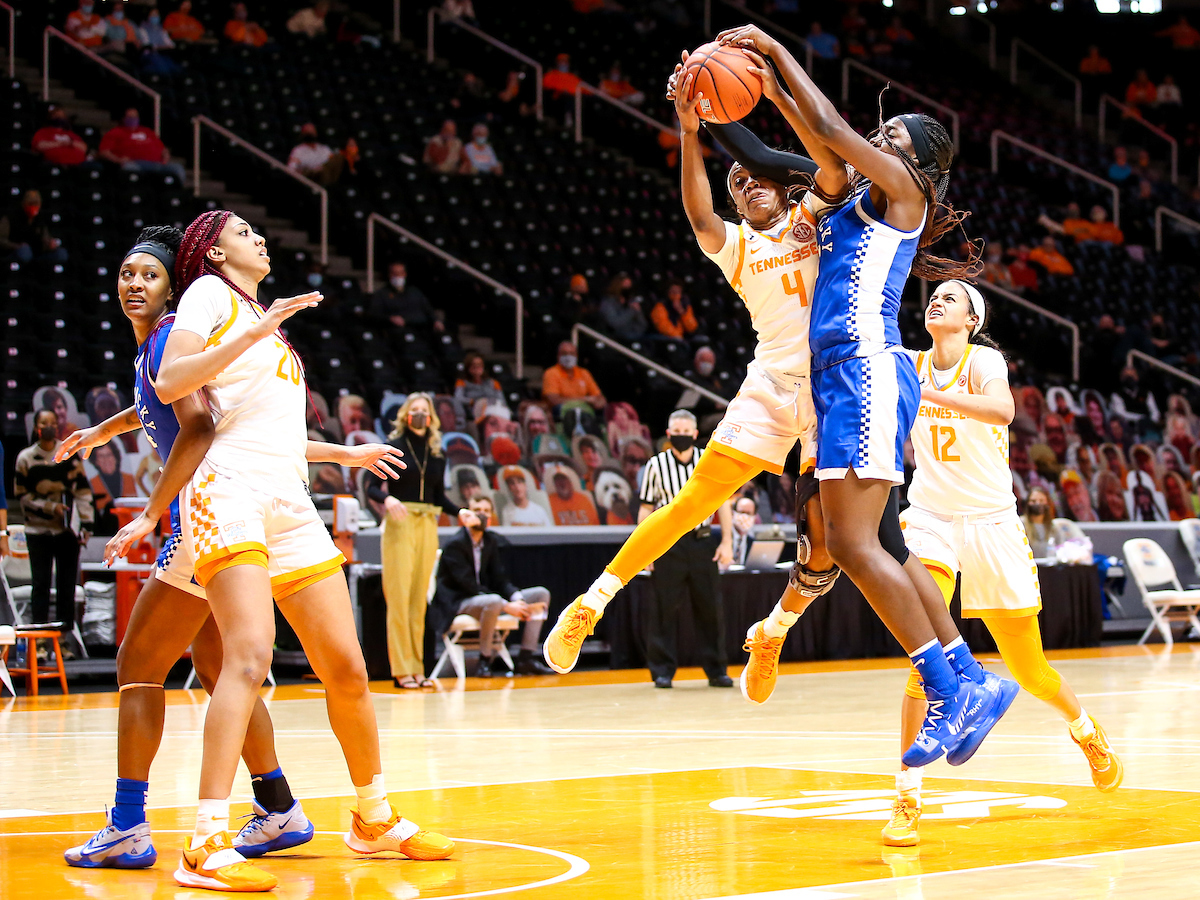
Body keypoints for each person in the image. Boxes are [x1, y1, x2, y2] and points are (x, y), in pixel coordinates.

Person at [713, 25, 1013, 766]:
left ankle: (947, 690)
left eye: (891, 135)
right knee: (884, 545)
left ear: (916, 160)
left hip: (864, 369)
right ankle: (970, 679)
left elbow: (830, 127)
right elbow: (782, 151)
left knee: (850, 544)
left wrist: (774, 53)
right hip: (847, 377)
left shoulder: (905, 191)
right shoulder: (855, 192)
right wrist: (724, 102)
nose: (877, 138)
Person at [155, 210, 453, 889]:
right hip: (227, 491)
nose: (259, 237)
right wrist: (256, 330)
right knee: (248, 657)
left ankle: (373, 817)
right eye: (242, 233)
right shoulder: (207, 295)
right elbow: (172, 382)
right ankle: (204, 841)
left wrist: (344, 453)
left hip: (287, 499)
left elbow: (271, 433)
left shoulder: (265, 325)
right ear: (213, 252)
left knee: (346, 665)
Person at [58, 225, 356, 868]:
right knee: (223, 669)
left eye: (151, 275)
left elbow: (195, 427)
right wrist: (102, 431)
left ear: (174, 287)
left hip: (211, 515)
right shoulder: (155, 346)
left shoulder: (171, 336)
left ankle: (129, 824)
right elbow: (158, 408)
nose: (135, 284)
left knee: (140, 664)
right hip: (232, 511)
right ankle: (278, 806)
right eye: (127, 273)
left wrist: (149, 513)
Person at [879, 280, 1121, 848]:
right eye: (933, 296)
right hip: (931, 518)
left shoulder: (983, 361)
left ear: (971, 320)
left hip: (991, 523)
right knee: (923, 660)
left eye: (950, 298)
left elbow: (1003, 410)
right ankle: (907, 794)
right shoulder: (909, 360)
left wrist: (925, 394)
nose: (936, 300)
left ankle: (1085, 730)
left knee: (1030, 670)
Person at [365, 394, 470, 689]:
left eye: (424, 410)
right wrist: (388, 499)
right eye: (415, 410)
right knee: (398, 597)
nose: (420, 414)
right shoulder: (394, 447)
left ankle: (418, 668)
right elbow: (371, 487)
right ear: (405, 414)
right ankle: (402, 670)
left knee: (418, 599)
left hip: (428, 521)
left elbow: (438, 496)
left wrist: (459, 512)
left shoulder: (437, 452)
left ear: (431, 416)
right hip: (400, 520)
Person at [639, 410, 733, 689]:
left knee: (711, 609)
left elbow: (723, 503)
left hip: (703, 540)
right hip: (668, 543)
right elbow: (645, 508)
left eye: (685, 432)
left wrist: (727, 541)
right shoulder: (656, 465)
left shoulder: (708, 459)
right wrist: (644, 549)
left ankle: (717, 670)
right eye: (676, 432)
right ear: (668, 435)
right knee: (663, 609)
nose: (681, 436)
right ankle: (662, 671)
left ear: (695, 434)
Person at [435, 496, 553, 676]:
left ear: (490, 517)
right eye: (477, 511)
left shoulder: (490, 542)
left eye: (486, 511)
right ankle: (484, 660)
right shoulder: (455, 544)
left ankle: (526, 658)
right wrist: (506, 606)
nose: (481, 515)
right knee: (494, 601)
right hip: (458, 602)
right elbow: (468, 585)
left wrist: (517, 600)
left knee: (541, 594)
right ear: (466, 515)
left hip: (486, 600)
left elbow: (500, 579)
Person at [13, 408, 93, 626]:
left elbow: (82, 491)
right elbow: (22, 495)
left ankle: (64, 636)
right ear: (36, 428)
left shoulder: (67, 453)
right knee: (41, 583)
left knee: (67, 584)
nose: (48, 427)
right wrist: (50, 507)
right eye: (44, 423)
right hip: (38, 529)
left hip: (67, 530)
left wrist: (86, 524)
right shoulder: (26, 458)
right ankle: (39, 636)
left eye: (52, 423)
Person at [99, 108, 187, 182]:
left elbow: (163, 149)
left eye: (135, 117)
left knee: (177, 168)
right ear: (123, 118)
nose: (133, 119)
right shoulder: (115, 132)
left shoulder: (147, 131)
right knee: (129, 168)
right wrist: (118, 160)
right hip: (135, 163)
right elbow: (104, 152)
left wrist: (165, 155)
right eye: (130, 117)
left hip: (157, 163)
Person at [0, 191, 67, 264]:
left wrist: (50, 243)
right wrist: (16, 246)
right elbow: (1, 240)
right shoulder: (10, 218)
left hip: (37, 255)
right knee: (25, 252)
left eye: (36, 204)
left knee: (61, 253)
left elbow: (45, 238)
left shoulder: (40, 219)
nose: (33, 207)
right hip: (16, 253)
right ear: (24, 203)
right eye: (30, 204)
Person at [542, 342, 606, 411]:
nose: (568, 357)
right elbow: (554, 401)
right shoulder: (551, 373)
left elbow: (599, 397)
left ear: (576, 356)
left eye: (571, 353)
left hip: (583, 411)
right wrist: (585, 400)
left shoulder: (584, 373)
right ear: (558, 356)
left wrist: (598, 403)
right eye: (564, 353)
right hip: (561, 412)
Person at [598, 272, 646, 341]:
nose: (628, 288)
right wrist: (631, 311)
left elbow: (643, 324)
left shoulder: (631, 301)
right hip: (614, 339)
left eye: (629, 285)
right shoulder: (608, 302)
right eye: (625, 285)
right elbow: (614, 323)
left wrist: (638, 312)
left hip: (634, 337)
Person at [729, 495, 757, 566]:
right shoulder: (720, 536)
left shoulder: (752, 541)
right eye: (741, 512)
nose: (744, 516)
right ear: (733, 513)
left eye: (748, 513)